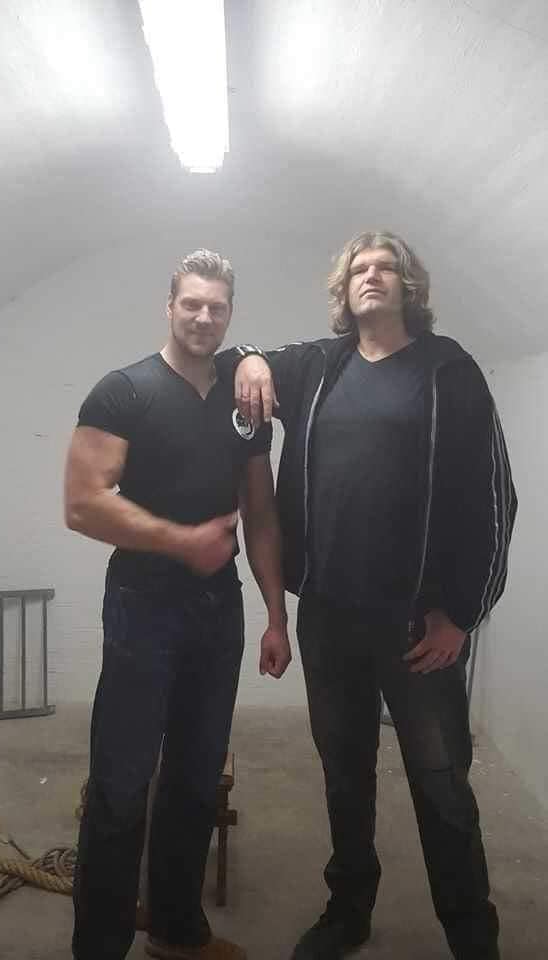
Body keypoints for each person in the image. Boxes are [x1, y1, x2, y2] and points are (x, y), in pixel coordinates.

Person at [226, 231, 516, 960]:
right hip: (329, 616)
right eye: (360, 268)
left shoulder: (448, 371)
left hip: (417, 625)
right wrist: (252, 357)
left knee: (441, 786)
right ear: (344, 287)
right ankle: (347, 911)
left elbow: (494, 498)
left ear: (408, 286)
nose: (372, 276)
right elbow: (239, 360)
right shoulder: (320, 366)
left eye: (387, 267)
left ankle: (471, 933)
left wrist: (463, 616)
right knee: (343, 776)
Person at [64, 249, 291, 960]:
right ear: (169, 307)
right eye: (191, 303)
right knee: (121, 783)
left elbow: (261, 513)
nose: (203, 316)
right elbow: (82, 503)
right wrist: (181, 541)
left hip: (218, 610)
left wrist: (276, 616)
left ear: (230, 315)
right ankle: (98, 947)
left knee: (195, 779)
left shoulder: (244, 402)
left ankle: (174, 928)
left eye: (217, 307)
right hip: (143, 604)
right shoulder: (123, 392)